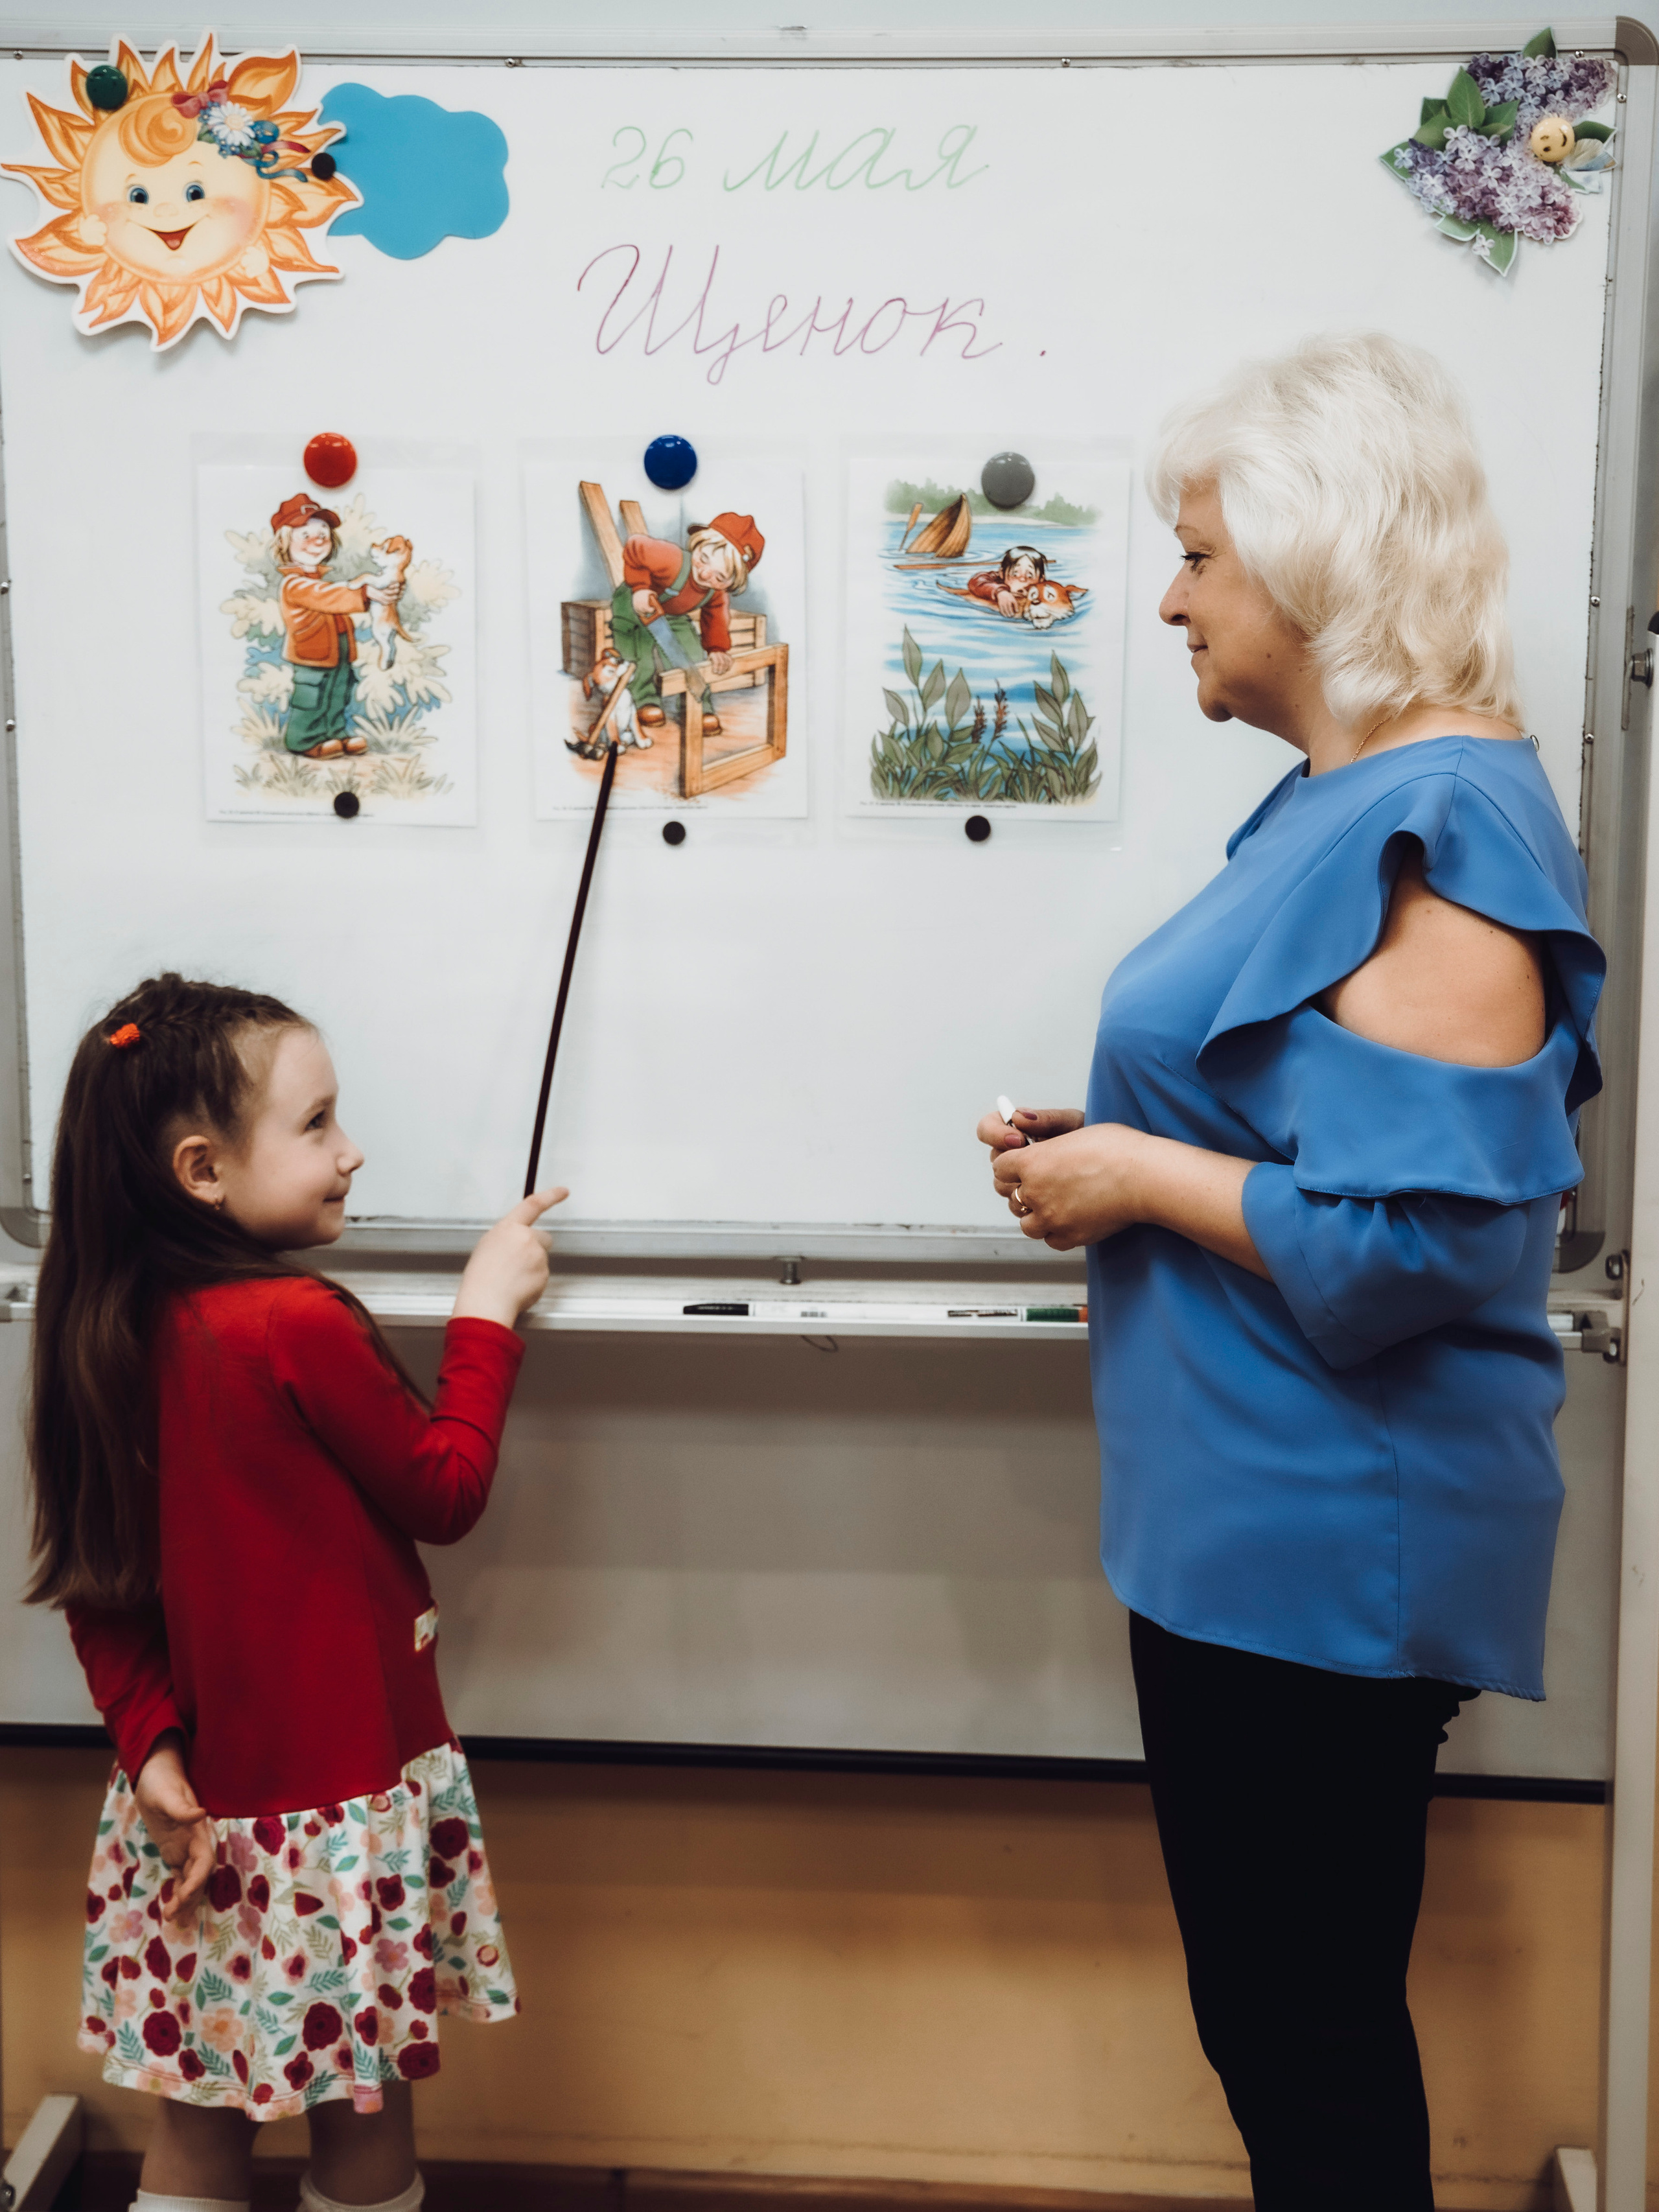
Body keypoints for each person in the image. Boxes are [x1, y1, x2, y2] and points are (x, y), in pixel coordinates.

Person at [977, 333, 1603, 2212]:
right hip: (1249, 1534)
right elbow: (1309, 1133)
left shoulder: (1452, 826)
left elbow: (1429, 1243)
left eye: (1197, 553)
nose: (1168, 595)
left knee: (1305, 2039)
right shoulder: (1339, 801)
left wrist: (1137, 1173)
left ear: (1318, 555)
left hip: (1330, 1549)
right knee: (1279, 2025)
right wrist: (1112, 1167)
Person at [25, 972, 566, 2212]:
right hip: (337, 1828)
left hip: (194, 1812)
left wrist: (150, 1743)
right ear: (203, 1169)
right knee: (362, 2114)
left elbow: (100, 1590)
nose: (352, 1149)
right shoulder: (293, 1322)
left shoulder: (103, 1328)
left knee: (199, 2117)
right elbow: (443, 1489)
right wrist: (487, 1308)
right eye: (318, 1124)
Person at [272, 494, 402, 759]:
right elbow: (326, 596)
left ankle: (335, 733)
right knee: (311, 696)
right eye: (306, 535)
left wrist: (378, 590)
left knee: (338, 692)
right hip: (311, 653)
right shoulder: (294, 584)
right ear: (285, 542)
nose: (317, 541)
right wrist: (366, 594)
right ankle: (303, 739)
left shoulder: (320, 580)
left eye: (323, 535)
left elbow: (336, 591)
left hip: (338, 648)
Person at [612, 512, 765, 737]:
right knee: (639, 654)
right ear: (698, 543)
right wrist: (641, 588)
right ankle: (644, 702)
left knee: (693, 656)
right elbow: (636, 546)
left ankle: (699, 708)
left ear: (733, 582)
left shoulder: (716, 594)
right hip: (633, 607)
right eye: (704, 558)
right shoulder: (670, 558)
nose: (705, 573)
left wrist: (717, 648)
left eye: (720, 577)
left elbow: (715, 618)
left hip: (672, 615)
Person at [963, 544, 1047, 616]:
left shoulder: (1044, 591)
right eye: (1015, 574)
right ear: (1002, 574)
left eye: (1030, 576)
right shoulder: (997, 580)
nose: (1022, 579)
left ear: (1041, 579)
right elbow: (977, 581)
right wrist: (1000, 592)